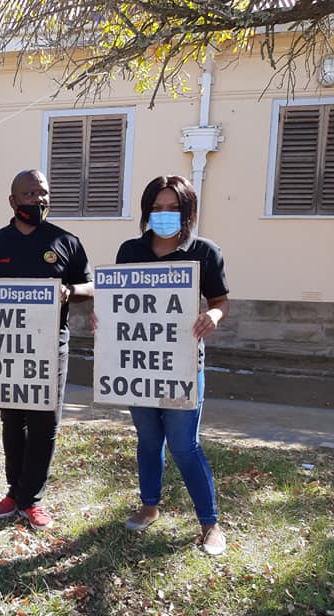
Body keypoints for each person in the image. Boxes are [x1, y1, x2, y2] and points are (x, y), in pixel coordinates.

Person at [0, 169, 93, 529]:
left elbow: (90, 285)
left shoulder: (66, 241)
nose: (38, 199)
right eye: (29, 194)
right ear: (13, 201)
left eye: (43, 193)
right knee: (13, 420)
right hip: (7, 349)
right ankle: (13, 491)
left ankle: (32, 499)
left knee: (44, 423)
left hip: (52, 346)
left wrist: (70, 291)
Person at [115, 175, 229, 555]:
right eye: (157, 207)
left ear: (187, 211)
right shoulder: (130, 251)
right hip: (137, 364)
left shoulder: (205, 251)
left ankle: (210, 524)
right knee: (148, 440)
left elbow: (220, 300)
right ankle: (149, 506)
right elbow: (118, 301)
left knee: (184, 445)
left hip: (182, 364)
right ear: (147, 211)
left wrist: (213, 314)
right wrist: (103, 318)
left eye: (172, 208)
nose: (164, 214)